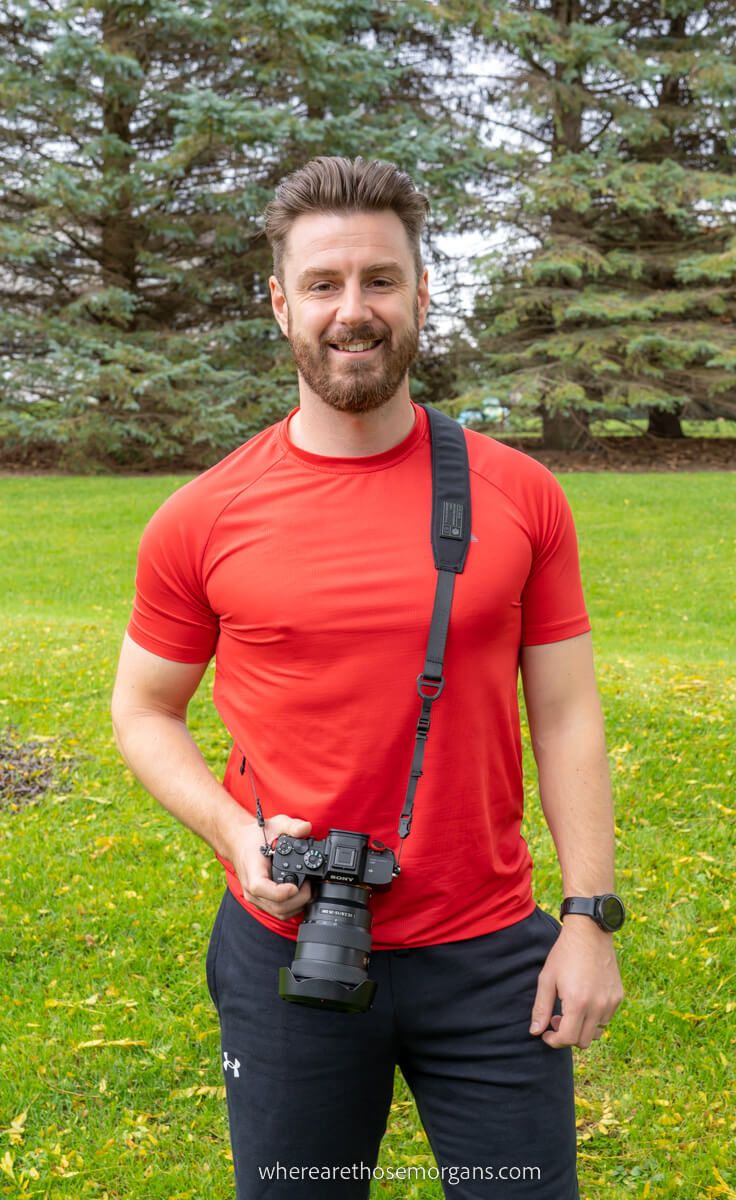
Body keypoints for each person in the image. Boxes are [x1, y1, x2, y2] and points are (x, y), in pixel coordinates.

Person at [111, 156, 624, 1200]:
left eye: (380, 280)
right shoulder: (200, 516)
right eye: (323, 284)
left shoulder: (519, 495)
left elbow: (565, 713)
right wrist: (229, 829)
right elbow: (143, 710)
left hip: (489, 959)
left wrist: (585, 919)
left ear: (422, 291)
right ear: (279, 302)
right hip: (285, 950)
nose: (353, 312)